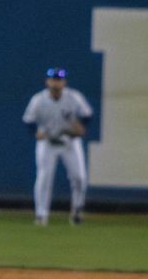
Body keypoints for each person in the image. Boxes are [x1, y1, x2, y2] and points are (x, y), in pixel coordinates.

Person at [22, 67, 94, 225]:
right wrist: (36, 132)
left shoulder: (74, 97)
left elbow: (87, 115)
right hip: (47, 143)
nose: (56, 82)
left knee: (79, 178)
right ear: (47, 82)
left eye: (59, 80)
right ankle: (41, 215)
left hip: (70, 141)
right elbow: (28, 120)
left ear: (64, 82)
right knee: (44, 178)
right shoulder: (38, 99)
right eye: (53, 79)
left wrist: (81, 126)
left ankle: (77, 210)